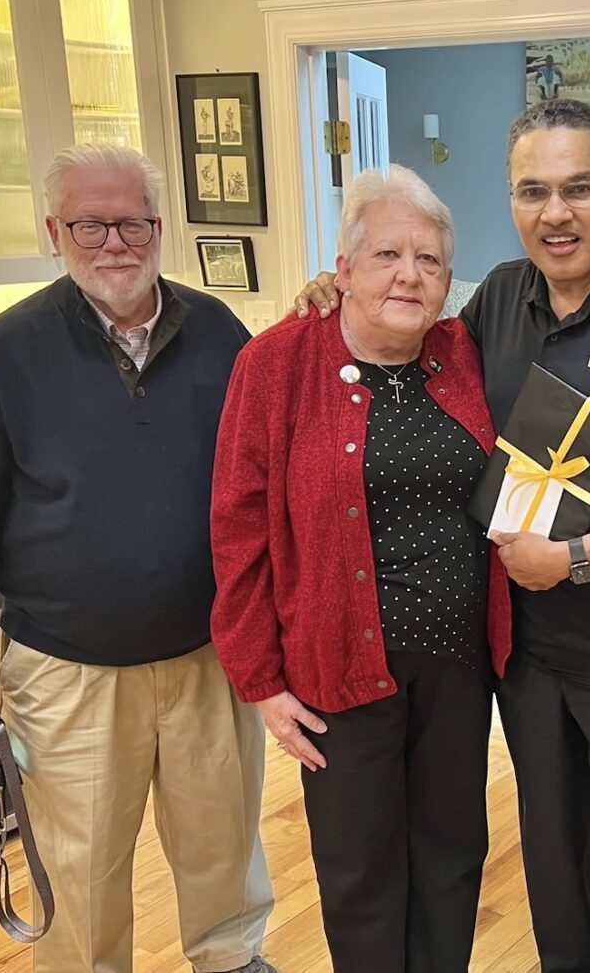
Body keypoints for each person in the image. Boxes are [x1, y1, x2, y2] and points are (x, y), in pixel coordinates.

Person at [296, 98, 590, 973]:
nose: (556, 213)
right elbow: (406, 347)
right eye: (532, 191)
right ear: (510, 201)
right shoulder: (497, 301)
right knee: (555, 884)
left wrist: (577, 556)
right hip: (527, 658)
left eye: (579, 188)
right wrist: (336, 292)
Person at [0, 144, 276, 973]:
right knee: (78, 867)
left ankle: (230, 958)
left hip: (209, 656)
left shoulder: (219, 333)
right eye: (91, 223)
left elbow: (267, 471)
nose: (113, 241)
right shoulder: (5, 351)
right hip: (68, 670)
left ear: (160, 227)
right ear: (56, 230)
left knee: (223, 841)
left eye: (132, 222)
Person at [210, 164, 511, 973]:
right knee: (360, 872)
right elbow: (237, 529)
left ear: (451, 282)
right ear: (341, 271)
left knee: (452, 855)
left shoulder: (464, 352)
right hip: (335, 669)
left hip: (457, 670)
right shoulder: (275, 364)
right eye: (385, 255)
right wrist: (260, 679)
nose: (409, 275)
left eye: (429, 261)